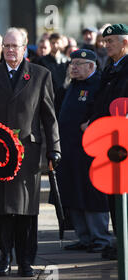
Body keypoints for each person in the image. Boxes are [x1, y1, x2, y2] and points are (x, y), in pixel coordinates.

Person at [0, 27, 60, 278]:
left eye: (15, 46)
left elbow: (49, 116)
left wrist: (54, 148)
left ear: (25, 48)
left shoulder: (40, 74)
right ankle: (4, 255)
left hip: (27, 152)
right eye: (7, 46)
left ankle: (25, 260)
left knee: (26, 210)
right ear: (2, 48)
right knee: (0, 207)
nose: (11, 50)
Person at [54, 49, 111, 253]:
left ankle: (100, 238)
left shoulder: (98, 84)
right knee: (73, 193)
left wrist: (92, 123)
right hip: (70, 150)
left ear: (91, 66)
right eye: (72, 63)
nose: (74, 67)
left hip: (89, 152)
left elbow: (103, 111)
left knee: (91, 195)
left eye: (78, 64)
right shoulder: (71, 85)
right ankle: (84, 237)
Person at [84, 23, 128, 261]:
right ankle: (120, 240)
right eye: (104, 41)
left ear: (125, 42)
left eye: (111, 41)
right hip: (108, 142)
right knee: (113, 194)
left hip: (122, 142)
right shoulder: (111, 67)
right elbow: (101, 100)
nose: (106, 45)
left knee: (123, 194)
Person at [38, 33, 69, 117]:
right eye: (53, 42)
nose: (55, 45)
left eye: (57, 42)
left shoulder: (67, 61)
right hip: (49, 96)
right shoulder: (42, 61)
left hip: (64, 96)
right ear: (49, 43)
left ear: (62, 43)